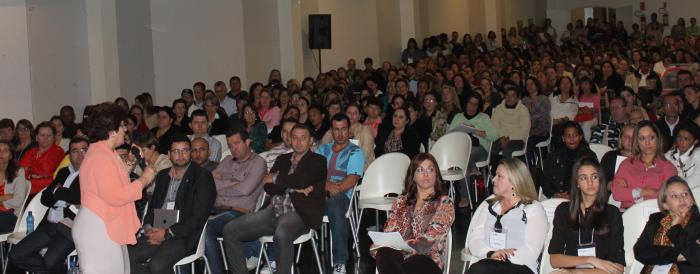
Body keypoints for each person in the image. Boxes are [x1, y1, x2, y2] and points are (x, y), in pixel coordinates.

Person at [222, 124, 326, 274]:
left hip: (299, 213)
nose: (298, 142)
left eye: (303, 138)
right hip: (274, 210)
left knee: (282, 232)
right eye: (294, 137)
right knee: (230, 230)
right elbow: (268, 187)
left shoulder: (318, 160)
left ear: (311, 141)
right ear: (289, 139)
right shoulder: (282, 159)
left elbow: (300, 181)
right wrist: (293, 185)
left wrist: (277, 178)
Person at [72, 102, 156, 274]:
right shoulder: (100, 157)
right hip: (98, 228)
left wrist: (130, 164)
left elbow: (110, 181)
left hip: (105, 224)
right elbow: (116, 195)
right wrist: (145, 179)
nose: (125, 130)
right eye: (122, 126)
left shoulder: (104, 152)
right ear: (111, 131)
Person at [129, 134, 216, 274]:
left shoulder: (202, 177)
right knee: (125, 259)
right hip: (157, 229)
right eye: (176, 151)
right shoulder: (163, 175)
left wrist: (167, 233)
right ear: (169, 154)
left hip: (183, 235)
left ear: (190, 152)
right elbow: (152, 208)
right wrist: (148, 227)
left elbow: (197, 218)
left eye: (185, 150)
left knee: (157, 265)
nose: (180, 155)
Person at [10, 138, 88, 274]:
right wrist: (63, 196)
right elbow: (45, 198)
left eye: (84, 150)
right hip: (50, 224)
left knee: (50, 261)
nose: (80, 154)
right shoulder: (64, 172)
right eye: (75, 151)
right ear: (69, 155)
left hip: (70, 227)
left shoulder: (91, 173)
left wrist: (57, 191)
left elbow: (80, 197)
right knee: (16, 255)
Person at [372, 153, 454, 274]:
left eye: (430, 169)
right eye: (420, 170)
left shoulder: (445, 202)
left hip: (427, 260)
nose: (426, 174)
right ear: (413, 176)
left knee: (414, 261)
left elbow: (432, 236)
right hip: (399, 258)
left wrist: (405, 247)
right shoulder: (400, 201)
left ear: (436, 174)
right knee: (384, 252)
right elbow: (389, 231)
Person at [467, 158, 547, 274]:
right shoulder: (489, 206)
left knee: (481, 269)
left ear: (514, 181)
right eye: (495, 175)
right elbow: (474, 240)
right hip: (487, 263)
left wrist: (502, 257)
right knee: (482, 268)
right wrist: (491, 253)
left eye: (499, 176)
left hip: (520, 266)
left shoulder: (532, 209)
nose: (493, 179)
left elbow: (531, 250)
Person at [205, 127, 267, 274]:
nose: (233, 148)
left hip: (239, 213)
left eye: (237, 143)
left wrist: (222, 181)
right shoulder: (226, 160)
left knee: (206, 229)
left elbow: (245, 190)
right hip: (216, 209)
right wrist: (232, 182)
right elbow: (209, 183)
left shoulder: (258, 162)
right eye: (230, 145)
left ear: (248, 141)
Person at [548, 157, 625, 273]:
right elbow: (554, 260)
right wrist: (589, 260)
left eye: (594, 177)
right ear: (577, 183)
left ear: (600, 180)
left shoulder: (612, 213)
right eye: (583, 178)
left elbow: (618, 268)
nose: (590, 182)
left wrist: (580, 272)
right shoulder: (563, 210)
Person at [316, 114, 365, 273]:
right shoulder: (321, 149)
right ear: (331, 131)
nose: (340, 133)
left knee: (335, 204)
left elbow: (351, 180)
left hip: (342, 197)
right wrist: (327, 186)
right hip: (318, 195)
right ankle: (275, 256)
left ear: (349, 130)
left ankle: (340, 261)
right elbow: (313, 175)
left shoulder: (355, 152)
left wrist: (332, 190)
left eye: (343, 129)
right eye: (336, 129)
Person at [633, 176, 700, 273]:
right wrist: (675, 254)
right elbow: (640, 251)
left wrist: (676, 228)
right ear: (665, 204)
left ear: (692, 200)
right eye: (674, 196)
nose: (682, 198)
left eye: (685, 194)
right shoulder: (656, 220)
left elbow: (696, 255)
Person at [611, 121, 677, 209]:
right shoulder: (627, 164)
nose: (647, 143)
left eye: (651, 137)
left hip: (657, 214)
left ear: (658, 139)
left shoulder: (668, 167)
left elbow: (668, 197)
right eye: (642, 138)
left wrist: (629, 192)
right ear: (637, 142)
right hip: (628, 213)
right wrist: (643, 192)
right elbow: (616, 194)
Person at [540, 122, 596, 199]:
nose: (572, 139)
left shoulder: (589, 156)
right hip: (556, 196)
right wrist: (553, 193)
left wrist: (574, 196)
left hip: (580, 197)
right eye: (568, 136)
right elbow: (544, 178)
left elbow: (593, 181)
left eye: (575, 135)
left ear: (580, 137)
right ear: (563, 138)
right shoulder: (554, 155)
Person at [19, 121, 64, 194]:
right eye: (42, 135)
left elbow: (45, 170)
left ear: (54, 138)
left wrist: (28, 170)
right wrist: (31, 174)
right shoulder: (31, 151)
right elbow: (20, 171)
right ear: (37, 137)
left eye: (49, 135)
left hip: (46, 191)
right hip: (25, 189)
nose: (45, 138)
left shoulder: (58, 151)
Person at [490, 87, 531, 164]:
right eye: (507, 95)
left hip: (517, 139)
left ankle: (508, 173)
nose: (509, 98)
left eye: (512, 96)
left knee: (507, 148)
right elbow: (494, 125)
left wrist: (509, 138)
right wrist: (502, 136)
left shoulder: (523, 109)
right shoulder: (499, 108)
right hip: (500, 137)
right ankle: (494, 172)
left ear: (517, 98)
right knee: (491, 148)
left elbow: (525, 129)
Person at [0, 140, 29, 234]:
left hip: (9, 214)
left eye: (5, 151)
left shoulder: (18, 172)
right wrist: (5, 197)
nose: (1, 154)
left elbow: (18, 201)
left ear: (10, 156)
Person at [521, 77, 551, 166]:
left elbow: (545, 116)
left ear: (537, 86)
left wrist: (536, 104)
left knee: (530, 141)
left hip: (541, 129)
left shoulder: (544, 99)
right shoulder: (524, 100)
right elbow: (523, 117)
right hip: (527, 129)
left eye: (532, 84)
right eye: (527, 85)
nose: (529, 86)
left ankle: (527, 167)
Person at [665, 122, 700, 189]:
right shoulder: (669, 155)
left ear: (695, 141)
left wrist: (673, 187)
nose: (681, 141)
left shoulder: (698, 153)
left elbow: (697, 178)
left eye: (686, 139)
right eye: (679, 137)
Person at [345, 103, 375, 169]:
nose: (352, 115)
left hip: (361, 168)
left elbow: (365, 154)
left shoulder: (365, 130)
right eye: (349, 112)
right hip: (342, 167)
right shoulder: (341, 130)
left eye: (355, 113)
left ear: (359, 116)